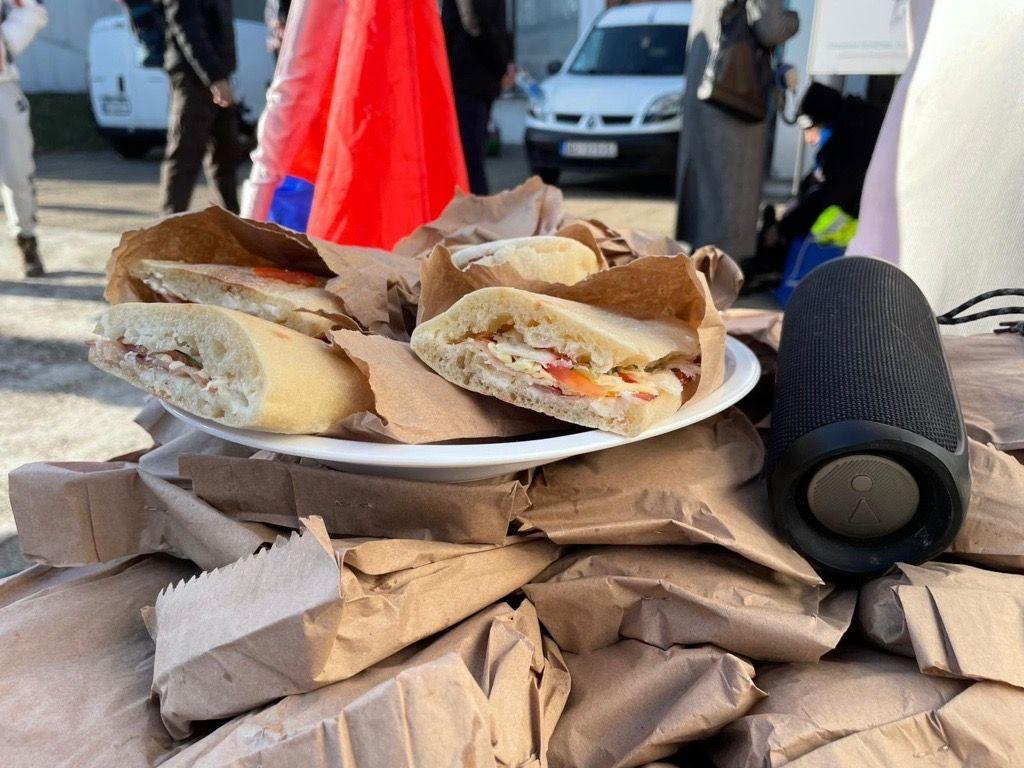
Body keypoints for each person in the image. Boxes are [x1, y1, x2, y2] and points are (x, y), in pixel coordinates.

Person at [674, 0, 798, 259]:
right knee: (732, 194)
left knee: (703, 186)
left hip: (705, 86)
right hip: (736, 94)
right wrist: (794, 20)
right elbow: (771, 29)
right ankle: (725, 273)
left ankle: (699, 266)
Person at [756, 82, 884, 274]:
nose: (808, 139)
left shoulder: (848, 143)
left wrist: (784, 228)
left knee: (821, 219)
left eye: (810, 129)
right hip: (873, 207)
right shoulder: (855, 122)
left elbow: (831, 194)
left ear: (823, 121)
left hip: (868, 221)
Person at [159, 0, 241, 215]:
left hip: (218, 76)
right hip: (193, 80)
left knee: (226, 156)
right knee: (185, 157)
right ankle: (167, 231)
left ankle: (233, 227)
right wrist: (215, 78)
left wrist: (221, 76)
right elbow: (188, 28)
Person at [441, 0, 513, 195]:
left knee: (469, 161)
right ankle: (474, 216)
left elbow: (478, 28)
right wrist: (504, 66)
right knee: (469, 160)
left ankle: (477, 218)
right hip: (474, 81)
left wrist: (503, 66)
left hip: (468, 81)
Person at [0, 0, 47, 277]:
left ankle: (26, 240)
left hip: (3, 88)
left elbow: (33, 8)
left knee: (17, 172)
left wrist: (6, 41)